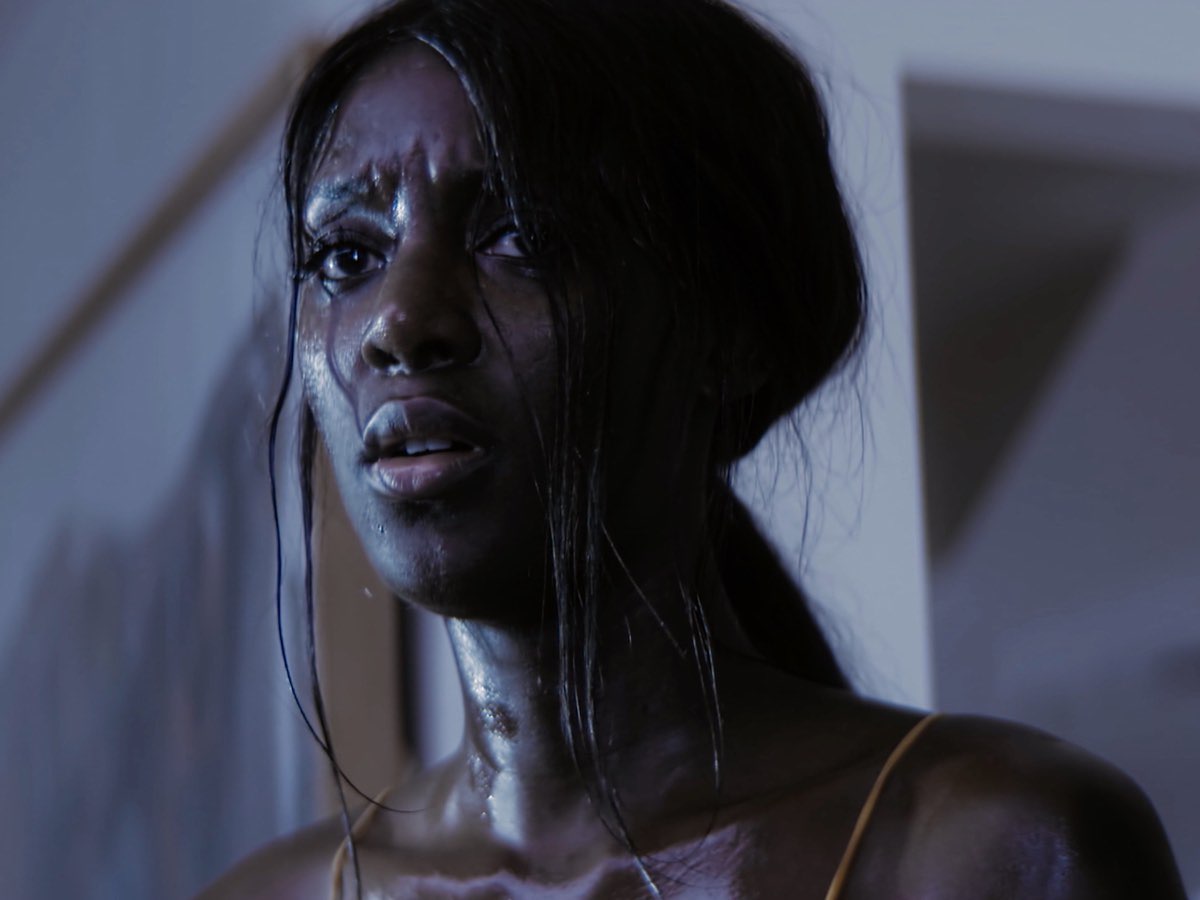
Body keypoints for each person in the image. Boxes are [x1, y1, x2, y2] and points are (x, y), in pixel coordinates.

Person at [200, 0, 1186, 896]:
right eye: (347, 257)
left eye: (522, 235)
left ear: (727, 330)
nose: (400, 322)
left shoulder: (993, 853)